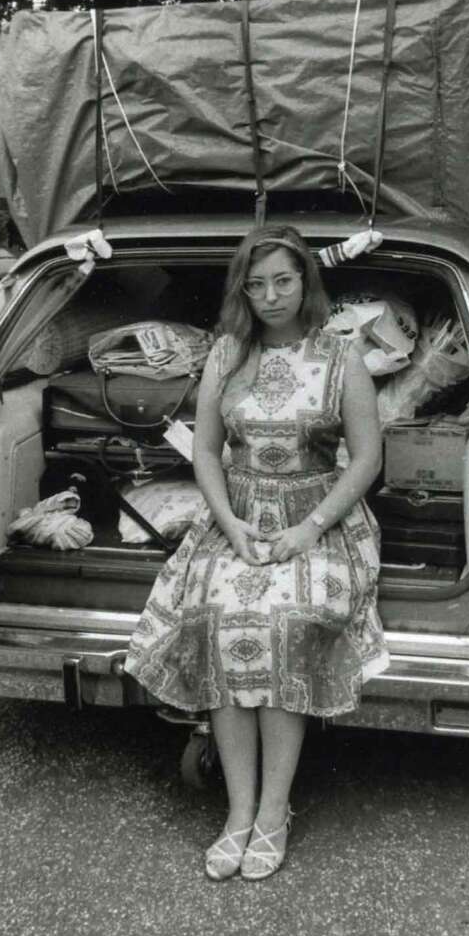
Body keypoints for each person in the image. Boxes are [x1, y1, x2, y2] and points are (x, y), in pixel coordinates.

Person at [124, 224, 388, 881]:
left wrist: (310, 528)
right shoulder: (225, 353)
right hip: (238, 519)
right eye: (257, 282)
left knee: (281, 624)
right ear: (242, 288)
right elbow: (207, 451)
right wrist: (230, 525)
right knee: (217, 616)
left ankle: (275, 811)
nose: (271, 295)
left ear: (305, 283)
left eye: (284, 280)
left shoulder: (340, 354)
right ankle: (238, 813)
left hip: (320, 521)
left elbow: (368, 457)